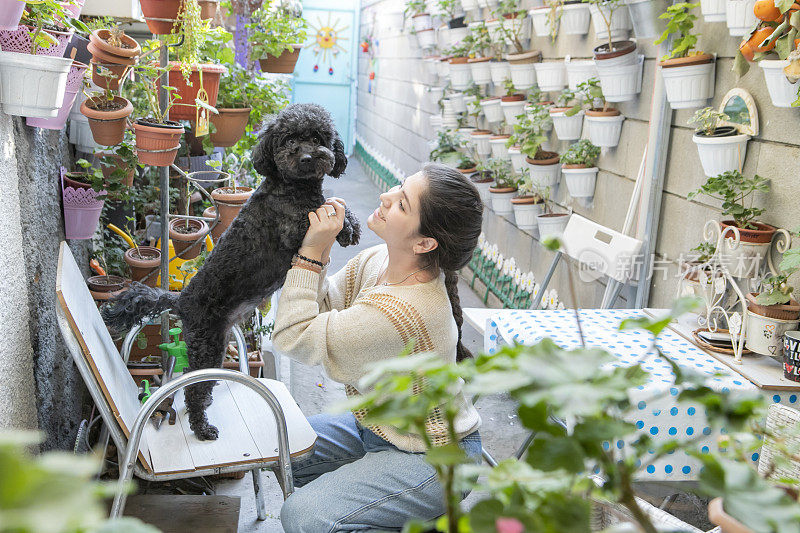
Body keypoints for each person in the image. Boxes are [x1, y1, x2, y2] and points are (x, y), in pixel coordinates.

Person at [272, 162, 484, 532]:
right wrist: (318, 255)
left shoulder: (401, 310)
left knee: (303, 517)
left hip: (434, 459)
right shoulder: (379, 260)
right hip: (378, 428)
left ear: (424, 243)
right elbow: (323, 305)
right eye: (398, 188)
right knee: (277, 452)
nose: (385, 197)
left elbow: (294, 334)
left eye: (402, 204)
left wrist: (310, 253)